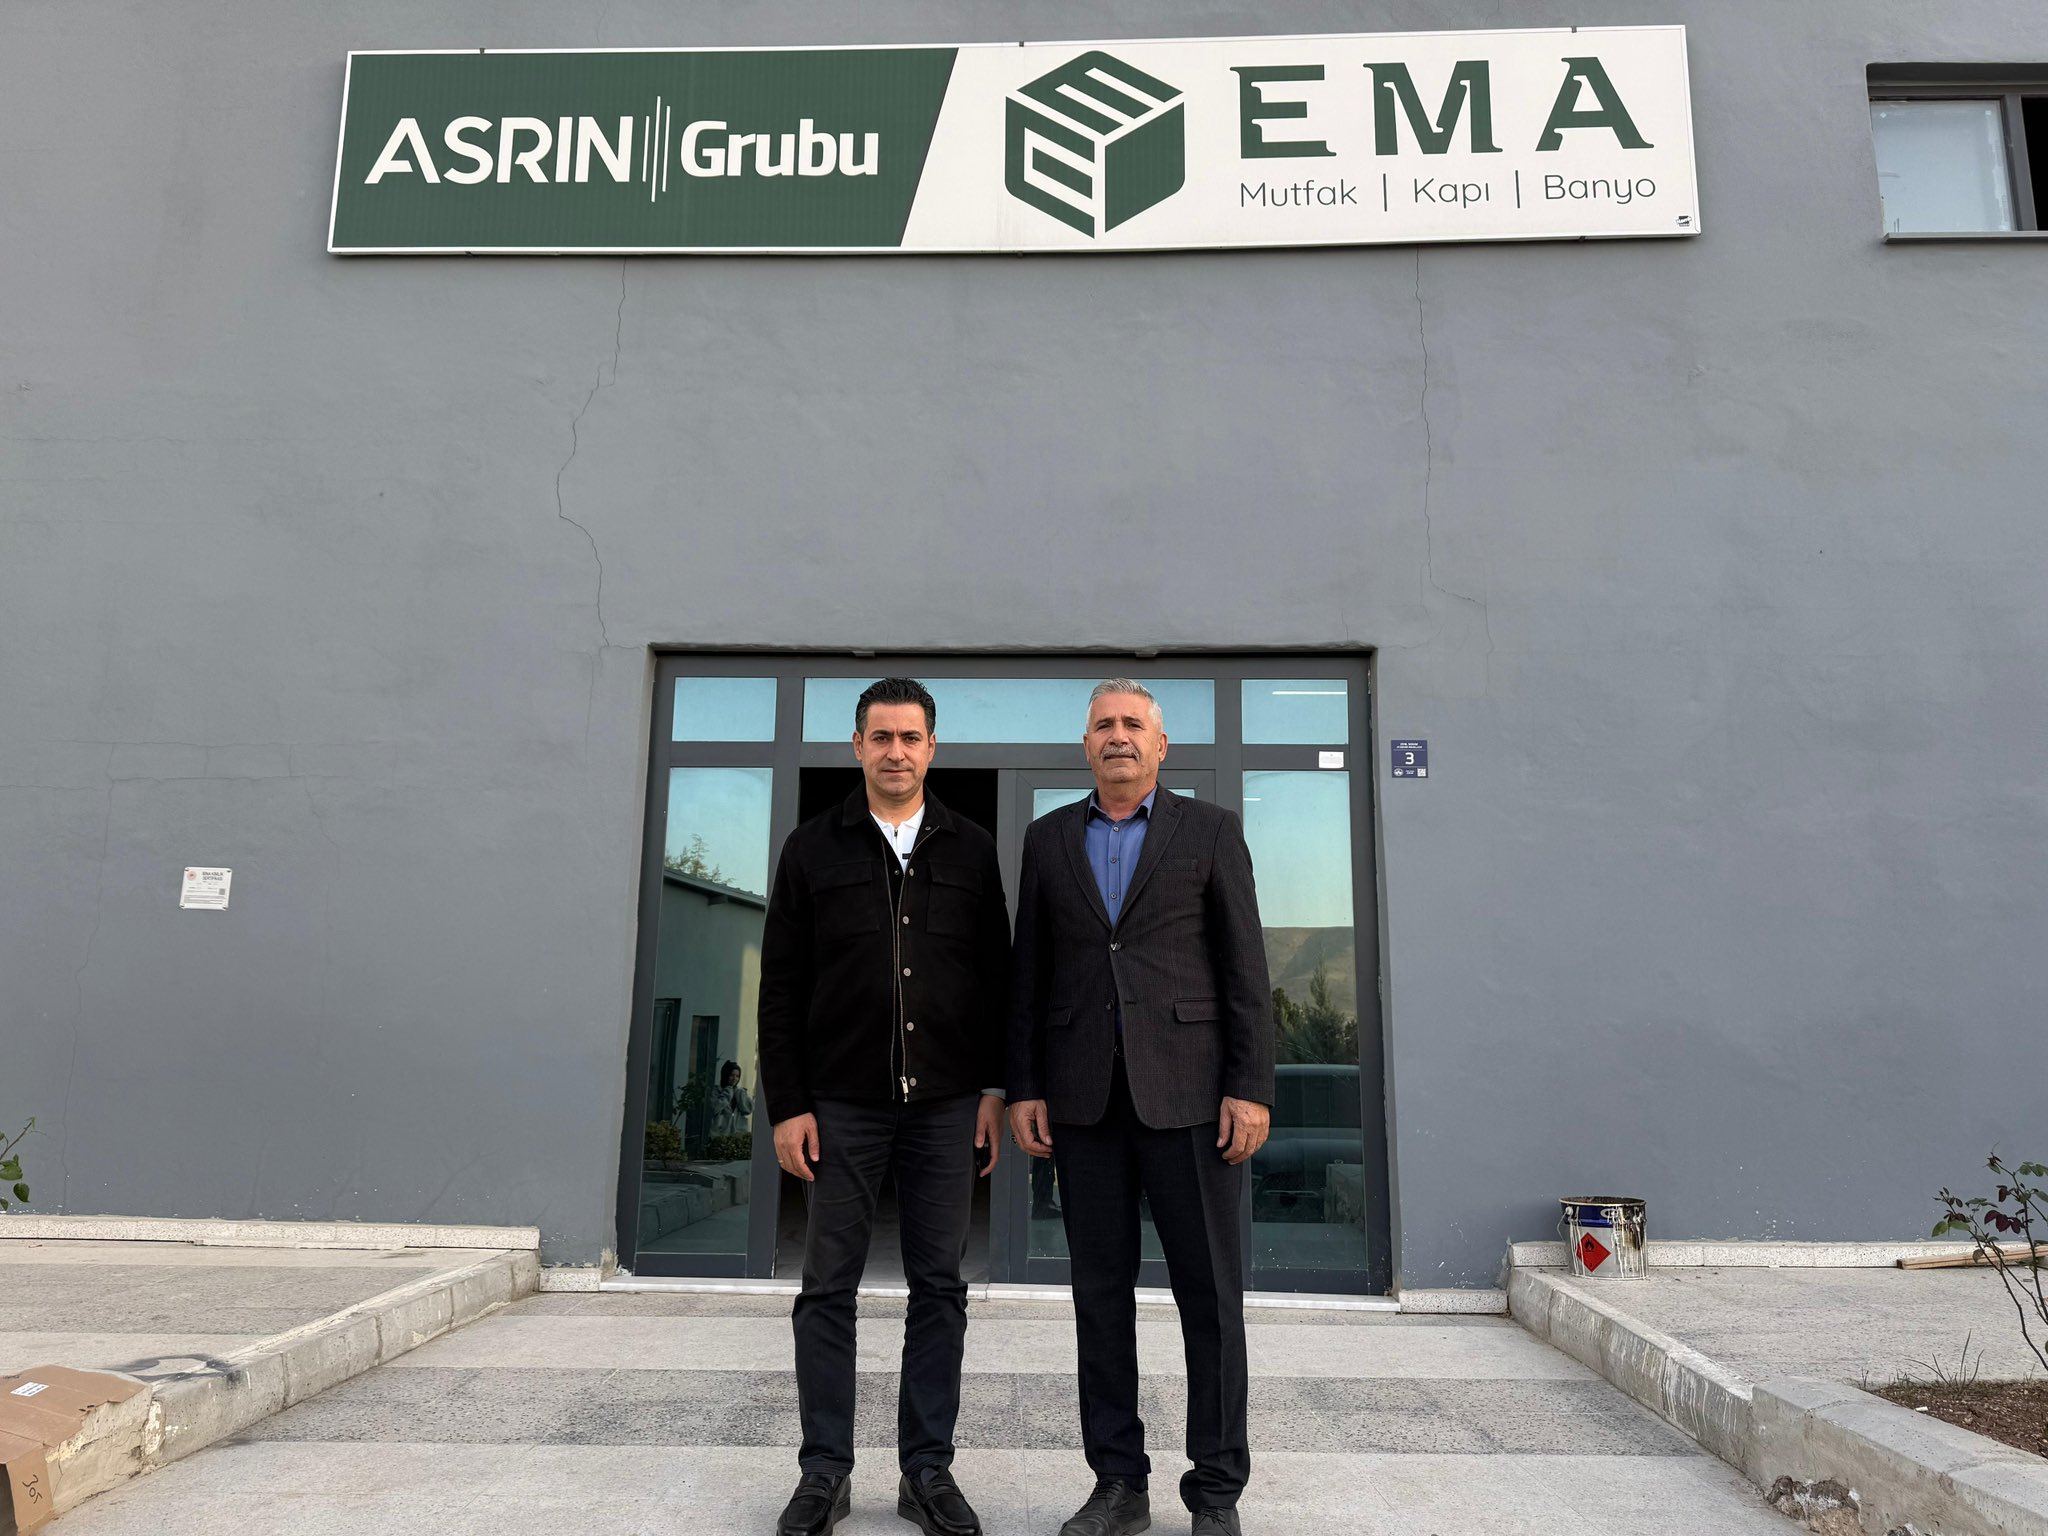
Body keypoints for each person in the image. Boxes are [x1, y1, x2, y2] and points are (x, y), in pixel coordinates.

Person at [1007, 679, 1275, 1536]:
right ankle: (1118, 1483)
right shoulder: (1048, 839)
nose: (1117, 735)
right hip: (1083, 1102)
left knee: (1211, 1298)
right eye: (1103, 725)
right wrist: (1025, 1084)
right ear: (1086, 745)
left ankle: (1216, 1491)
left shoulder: (1211, 831)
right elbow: (1029, 972)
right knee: (1099, 1298)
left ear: (1161, 746)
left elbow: (1245, 969)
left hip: (1193, 1099)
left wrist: (1250, 1086)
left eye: (1133, 724)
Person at [758, 677, 1012, 1536]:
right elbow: (781, 988)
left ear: (932, 747)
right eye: (881, 737)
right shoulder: (811, 850)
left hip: (946, 1107)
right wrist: (788, 1104)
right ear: (857, 746)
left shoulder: (972, 850)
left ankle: (926, 1471)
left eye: (910, 737)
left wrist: (992, 1089)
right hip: (840, 1106)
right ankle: (824, 1473)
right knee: (826, 1287)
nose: (895, 751)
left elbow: (996, 979)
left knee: (939, 1287)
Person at [709, 1061, 752, 1139]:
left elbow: (748, 1110)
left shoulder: (739, 1092)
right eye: (732, 1075)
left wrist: (741, 1095)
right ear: (726, 1075)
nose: (735, 1079)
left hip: (737, 1136)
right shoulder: (716, 1091)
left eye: (737, 1076)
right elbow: (714, 1109)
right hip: (720, 1136)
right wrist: (727, 1093)